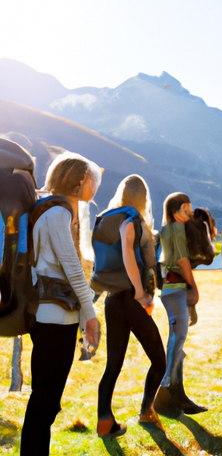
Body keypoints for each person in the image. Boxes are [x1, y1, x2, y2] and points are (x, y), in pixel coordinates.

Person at [20, 153, 102, 456]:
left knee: (48, 399)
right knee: (45, 398)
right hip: (54, 316)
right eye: (92, 178)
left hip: (52, 313)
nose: (94, 184)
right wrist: (90, 317)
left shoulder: (53, 209)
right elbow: (73, 270)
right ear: (80, 180)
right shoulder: (58, 214)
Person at [96, 175, 166, 437]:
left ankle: (105, 420)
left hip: (113, 299)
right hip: (130, 298)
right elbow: (130, 253)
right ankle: (147, 411)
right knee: (160, 361)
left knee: (113, 364)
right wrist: (140, 293)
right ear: (144, 198)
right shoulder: (132, 222)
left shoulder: (108, 219)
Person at [153, 192, 207, 415]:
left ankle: (177, 394)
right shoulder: (175, 227)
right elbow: (182, 259)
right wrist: (193, 286)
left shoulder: (167, 228)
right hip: (175, 288)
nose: (191, 211)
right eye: (188, 207)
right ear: (180, 208)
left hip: (171, 288)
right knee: (177, 339)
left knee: (178, 340)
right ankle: (165, 392)